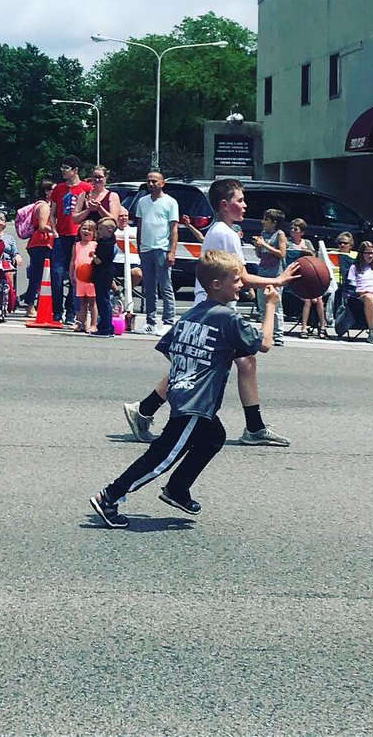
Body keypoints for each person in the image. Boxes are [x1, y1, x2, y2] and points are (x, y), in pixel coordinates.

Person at [90, 250, 279, 528]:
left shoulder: (191, 314)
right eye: (236, 280)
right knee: (162, 456)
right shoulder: (229, 319)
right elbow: (264, 343)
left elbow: (170, 348)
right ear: (217, 284)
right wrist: (270, 304)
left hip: (183, 393)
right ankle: (110, 496)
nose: (241, 285)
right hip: (195, 403)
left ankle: (177, 489)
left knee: (214, 437)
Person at [122, 179, 297, 448]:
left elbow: (236, 276)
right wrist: (279, 280)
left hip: (215, 305)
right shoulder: (225, 233)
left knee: (238, 362)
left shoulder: (223, 231)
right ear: (225, 205)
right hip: (214, 308)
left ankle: (253, 426)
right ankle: (145, 410)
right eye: (240, 200)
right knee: (200, 366)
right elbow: (242, 275)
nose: (245, 204)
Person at [131, 171, 179, 335]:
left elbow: (173, 229)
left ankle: (168, 321)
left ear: (162, 183)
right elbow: (139, 226)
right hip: (146, 249)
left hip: (162, 249)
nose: (151, 184)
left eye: (154, 181)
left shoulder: (170, 202)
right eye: (148, 181)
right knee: (149, 287)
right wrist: (139, 247)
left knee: (165, 286)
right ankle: (150, 321)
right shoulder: (143, 202)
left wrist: (171, 251)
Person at [49, 156, 91, 325]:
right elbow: (52, 213)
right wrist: (54, 231)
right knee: (57, 274)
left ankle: (71, 311)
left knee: (76, 274)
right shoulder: (58, 189)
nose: (63, 171)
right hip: (61, 236)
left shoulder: (86, 188)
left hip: (78, 237)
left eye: (66, 168)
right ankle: (56, 311)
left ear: (75, 170)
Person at [286, 218, 328, 338]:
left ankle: (323, 326)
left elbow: (314, 259)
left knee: (319, 298)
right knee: (308, 300)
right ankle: (303, 328)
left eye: (295, 229)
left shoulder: (307, 243)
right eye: (291, 228)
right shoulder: (288, 243)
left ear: (302, 232)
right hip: (295, 280)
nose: (292, 231)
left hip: (308, 279)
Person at [252, 208, 287, 345]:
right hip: (263, 271)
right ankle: (265, 332)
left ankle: (278, 335)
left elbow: (281, 253)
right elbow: (260, 255)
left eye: (266, 219)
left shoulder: (280, 234)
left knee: (275, 305)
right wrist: (257, 247)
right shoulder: (263, 233)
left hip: (275, 274)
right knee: (262, 303)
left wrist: (265, 244)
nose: (263, 222)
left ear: (274, 222)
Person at [21, 179, 55, 317]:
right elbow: (42, 226)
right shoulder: (44, 206)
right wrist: (56, 230)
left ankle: (34, 303)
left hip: (39, 244)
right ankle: (30, 305)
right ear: (46, 191)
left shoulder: (44, 205)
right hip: (40, 243)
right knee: (37, 276)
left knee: (40, 276)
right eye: (53, 189)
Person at [92, 216, 118, 337]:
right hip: (104, 274)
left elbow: (99, 261)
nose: (99, 231)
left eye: (102, 229)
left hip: (103, 274)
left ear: (110, 230)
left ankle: (105, 328)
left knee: (103, 301)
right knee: (103, 300)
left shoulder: (107, 245)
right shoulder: (107, 241)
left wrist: (93, 255)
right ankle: (108, 327)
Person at [72, 220, 98, 333]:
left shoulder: (95, 245)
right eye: (84, 228)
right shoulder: (76, 245)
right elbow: (73, 261)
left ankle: (93, 324)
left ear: (94, 233)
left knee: (92, 302)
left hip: (91, 278)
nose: (86, 231)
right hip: (80, 277)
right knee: (82, 301)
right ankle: (82, 323)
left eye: (90, 229)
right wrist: (72, 274)